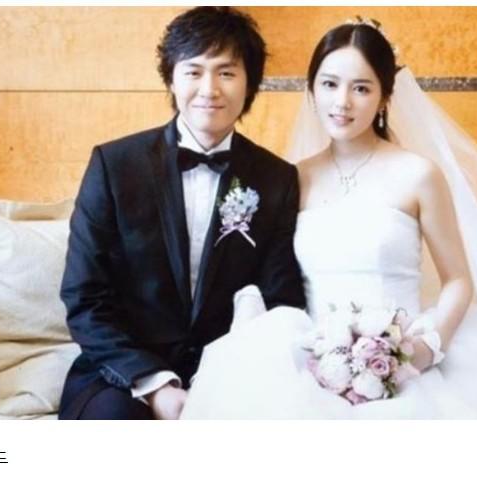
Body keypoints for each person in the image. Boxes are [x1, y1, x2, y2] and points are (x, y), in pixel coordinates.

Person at [180, 18, 477, 419]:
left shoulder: (418, 175)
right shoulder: (292, 178)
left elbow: (458, 280)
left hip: (404, 356)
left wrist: (423, 349)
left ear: (384, 97)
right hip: (315, 357)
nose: (342, 102)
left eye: (361, 88)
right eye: (329, 84)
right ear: (312, 91)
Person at [58, 6, 306, 420]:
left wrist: (230, 373)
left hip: (231, 373)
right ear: (171, 79)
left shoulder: (276, 178)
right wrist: (155, 385)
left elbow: (281, 299)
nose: (210, 89)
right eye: (194, 71)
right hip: (122, 374)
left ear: (250, 83)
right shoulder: (114, 165)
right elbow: (84, 298)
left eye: (226, 72)